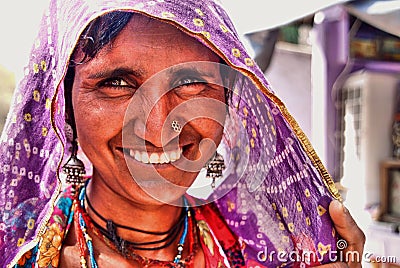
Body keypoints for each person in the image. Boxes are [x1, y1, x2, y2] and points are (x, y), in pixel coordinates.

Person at [0, 0, 365, 267]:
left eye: (191, 82)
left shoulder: (274, 250)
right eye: (117, 83)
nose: (160, 130)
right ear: (62, 104)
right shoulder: (23, 253)